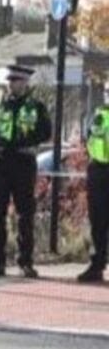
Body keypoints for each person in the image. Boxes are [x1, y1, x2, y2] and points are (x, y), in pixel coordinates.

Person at [0, 63, 52, 278]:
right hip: (1, 162)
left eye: (16, 81)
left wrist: (23, 141)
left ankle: (25, 262)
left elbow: (45, 132)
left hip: (24, 162)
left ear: (25, 82)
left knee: (25, 214)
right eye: (9, 81)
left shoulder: (36, 106)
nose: (12, 85)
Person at [78, 90, 109, 283]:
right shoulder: (98, 115)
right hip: (98, 170)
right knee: (97, 220)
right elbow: (88, 139)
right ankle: (97, 264)